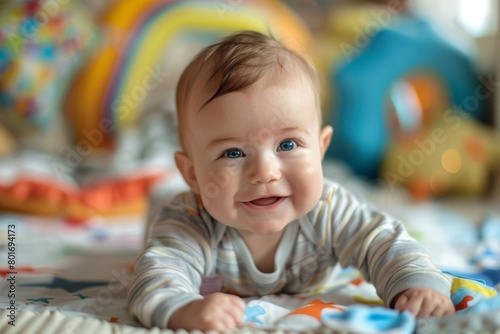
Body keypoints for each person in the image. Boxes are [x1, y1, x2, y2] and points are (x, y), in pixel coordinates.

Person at [127, 30, 455, 331]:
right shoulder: (190, 221)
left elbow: (383, 243)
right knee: (162, 206)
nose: (265, 172)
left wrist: (416, 285)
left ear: (321, 149)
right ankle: (161, 190)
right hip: (168, 210)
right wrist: (184, 309)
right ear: (193, 174)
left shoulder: (329, 209)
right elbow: (158, 276)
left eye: (287, 145)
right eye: (233, 153)